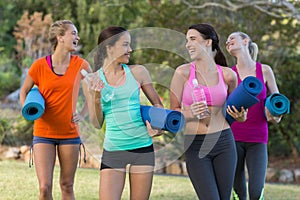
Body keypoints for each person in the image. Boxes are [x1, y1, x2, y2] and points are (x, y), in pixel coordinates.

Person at [82, 26, 164, 200]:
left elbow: (157, 103)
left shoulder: (138, 72)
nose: (130, 50)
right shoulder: (91, 80)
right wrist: (96, 97)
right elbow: (97, 124)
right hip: (114, 150)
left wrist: (158, 126)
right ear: (108, 48)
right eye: (125, 45)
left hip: (142, 148)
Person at [170, 23, 246, 200]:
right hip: (196, 145)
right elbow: (172, 112)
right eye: (187, 40)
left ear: (207, 42)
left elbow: (239, 111)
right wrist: (190, 113)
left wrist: (241, 116)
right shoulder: (182, 72)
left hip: (224, 142)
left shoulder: (228, 75)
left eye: (193, 39)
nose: (188, 44)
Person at [20, 20, 90, 200]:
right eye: (73, 33)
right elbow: (24, 90)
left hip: (69, 133)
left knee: (67, 185)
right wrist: (26, 110)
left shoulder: (81, 65)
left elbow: (95, 92)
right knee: (44, 187)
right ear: (60, 37)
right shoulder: (39, 66)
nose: (77, 37)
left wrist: (82, 114)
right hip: (44, 132)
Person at [225, 31, 282, 200]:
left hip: (258, 139)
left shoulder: (264, 70)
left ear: (245, 41)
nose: (228, 42)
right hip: (233, 138)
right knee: (239, 193)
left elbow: (276, 101)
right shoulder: (229, 74)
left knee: (256, 192)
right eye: (226, 41)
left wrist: (276, 116)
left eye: (232, 39)